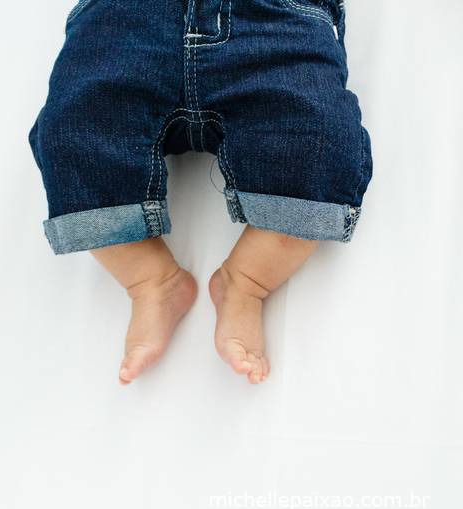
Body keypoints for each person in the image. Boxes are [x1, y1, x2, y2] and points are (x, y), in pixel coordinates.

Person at [29, 0, 373, 385]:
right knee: (70, 136)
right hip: (123, 22)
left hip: (273, 22)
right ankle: (150, 279)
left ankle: (245, 282)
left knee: (321, 143)